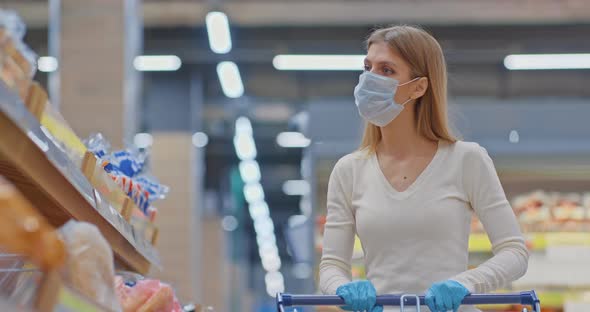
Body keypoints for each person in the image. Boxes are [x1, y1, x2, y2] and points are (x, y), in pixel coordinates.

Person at [318, 25, 529, 312]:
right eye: (367, 67)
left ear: (419, 87)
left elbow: (515, 253)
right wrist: (343, 288)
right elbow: (331, 266)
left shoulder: (467, 160)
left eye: (387, 70)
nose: (369, 79)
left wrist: (465, 283)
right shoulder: (349, 170)